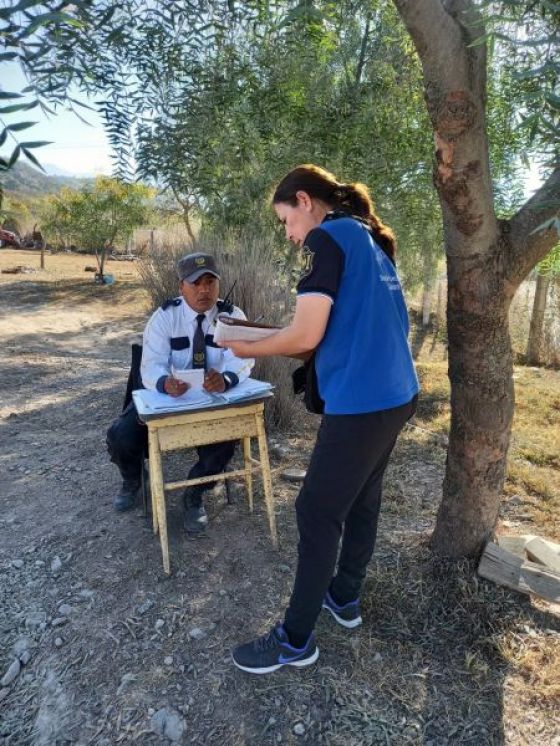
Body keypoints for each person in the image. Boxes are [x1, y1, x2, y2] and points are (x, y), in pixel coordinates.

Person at [224, 165, 419, 674]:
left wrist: (240, 344)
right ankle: (344, 597)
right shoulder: (366, 237)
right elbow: (327, 327)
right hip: (396, 394)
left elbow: (305, 338)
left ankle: (294, 639)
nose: (288, 235)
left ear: (305, 202)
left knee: (315, 511)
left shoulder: (327, 239)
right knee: (361, 499)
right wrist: (258, 332)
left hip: (363, 400)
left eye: (286, 220)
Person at [106, 251, 254, 533]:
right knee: (120, 436)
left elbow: (244, 359)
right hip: (166, 399)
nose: (204, 290)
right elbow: (150, 365)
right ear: (181, 287)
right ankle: (134, 478)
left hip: (212, 400)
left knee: (225, 443)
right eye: (196, 283)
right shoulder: (164, 317)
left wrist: (226, 378)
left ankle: (195, 492)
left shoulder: (232, 316)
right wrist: (164, 383)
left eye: (210, 282)